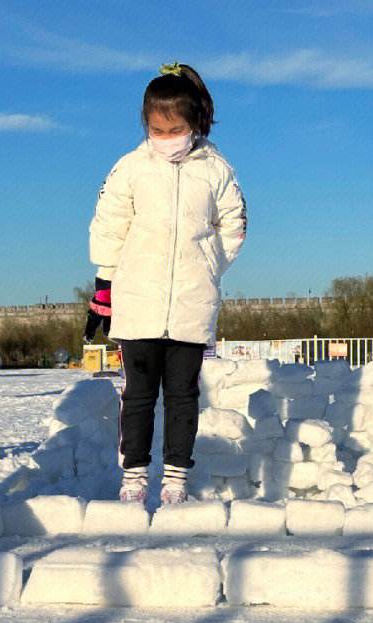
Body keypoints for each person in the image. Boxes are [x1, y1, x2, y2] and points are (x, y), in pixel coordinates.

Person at [86, 62, 247, 504]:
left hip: (192, 302)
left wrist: (209, 263)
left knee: (182, 396)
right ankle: (134, 476)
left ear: (194, 123)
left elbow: (233, 225)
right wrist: (105, 283)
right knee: (138, 395)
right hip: (138, 301)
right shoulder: (131, 168)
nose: (166, 138)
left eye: (174, 128)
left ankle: (176, 477)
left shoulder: (216, 169)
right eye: (157, 129)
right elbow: (108, 226)